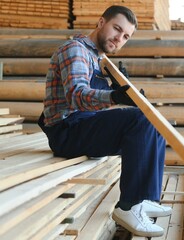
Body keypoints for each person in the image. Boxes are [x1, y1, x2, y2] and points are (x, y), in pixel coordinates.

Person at [38, 5, 171, 237]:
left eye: (125, 36)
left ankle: (144, 198)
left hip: (85, 125)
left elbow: (95, 102)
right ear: (101, 23)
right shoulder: (75, 50)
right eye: (116, 29)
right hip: (67, 131)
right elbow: (77, 96)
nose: (119, 38)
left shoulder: (98, 58)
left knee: (150, 117)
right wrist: (114, 97)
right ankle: (129, 206)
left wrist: (121, 92)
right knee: (139, 120)